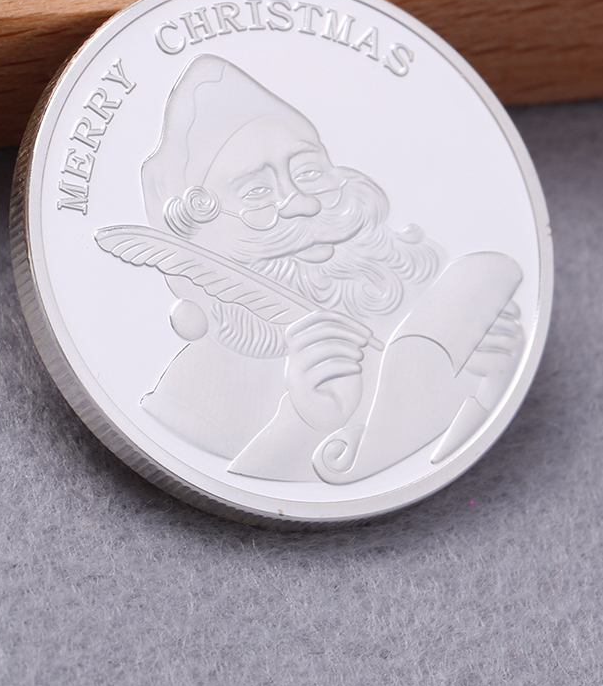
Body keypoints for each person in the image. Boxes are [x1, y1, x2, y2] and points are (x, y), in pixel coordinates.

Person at [112, 54, 524, 483]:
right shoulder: (193, 391)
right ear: (206, 235)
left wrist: (492, 380)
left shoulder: (426, 307)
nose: (303, 202)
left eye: (308, 172)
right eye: (256, 191)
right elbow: (241, 485)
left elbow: (450, 437)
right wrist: (304, 422)